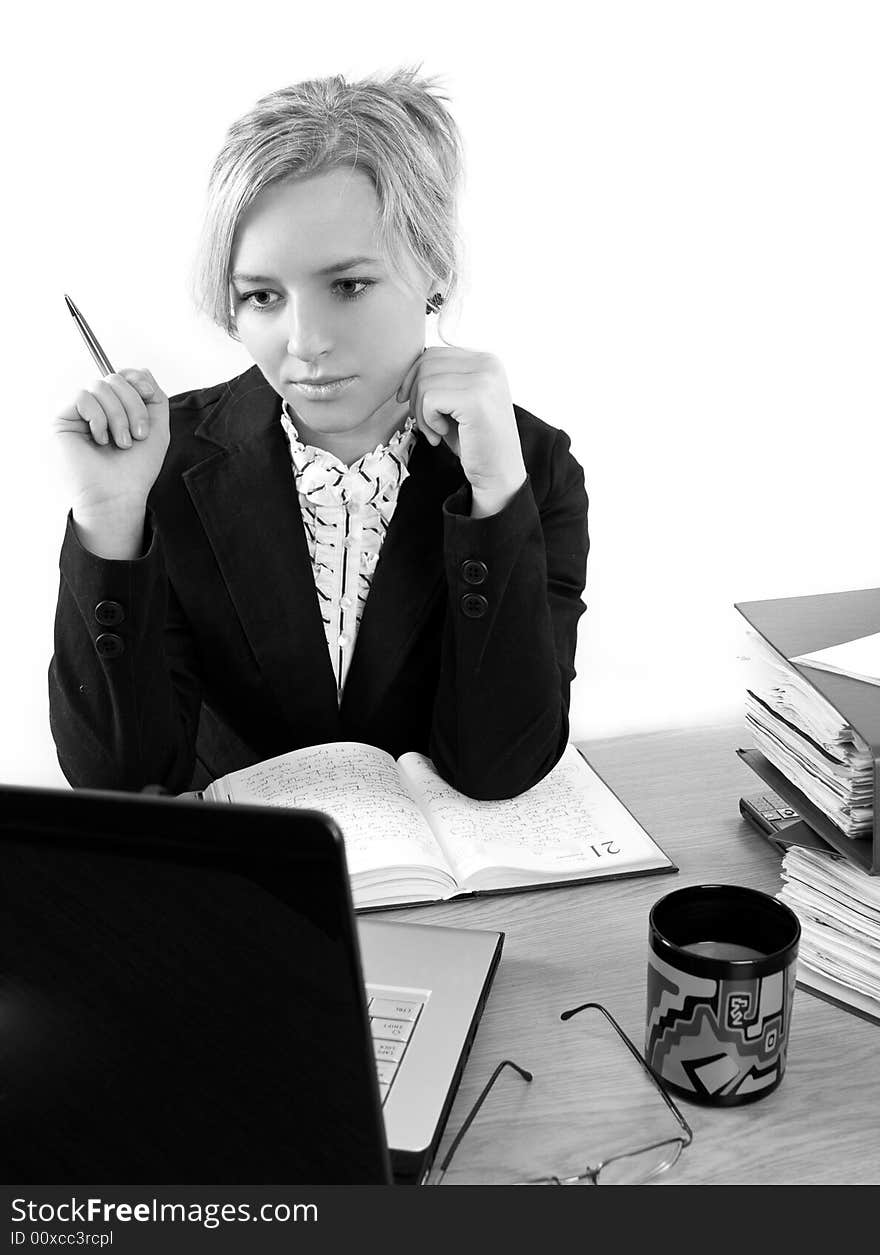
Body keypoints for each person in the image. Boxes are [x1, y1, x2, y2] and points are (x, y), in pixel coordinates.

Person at [49, 68, 589, 801]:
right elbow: (123, 782)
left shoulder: (535, 467)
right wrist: (111, 524)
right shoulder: (159, 465)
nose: (305, 343)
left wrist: (496, 503)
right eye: (262, 296)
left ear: (434, 269)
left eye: (347, 285)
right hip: (240, 889)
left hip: (454, 894)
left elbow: (504, 767)